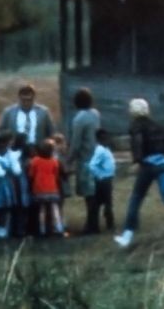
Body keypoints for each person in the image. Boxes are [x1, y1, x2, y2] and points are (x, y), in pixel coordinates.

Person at [113, 98, 164, 248]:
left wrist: (137, 161)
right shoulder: (159, 126)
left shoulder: (136, 126)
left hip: (148, 165)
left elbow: (137, 143)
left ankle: (127, 236)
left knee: (136, 197)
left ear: (133, 112)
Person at [67, 88, 101, 234]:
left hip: (86, 159)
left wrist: (69, 160)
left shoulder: (79, 119)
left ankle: (91, 224)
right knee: (96, 192)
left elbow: (76, 143)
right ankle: (95, 221)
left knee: (89, 194)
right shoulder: (95, 114)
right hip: (98, 157)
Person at [28, 139, 64, 236]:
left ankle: (42, 229)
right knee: (54, 208)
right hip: (52, 188)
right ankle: (59, 228)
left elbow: (31, 175)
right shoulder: (54, 161)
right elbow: (56, 175)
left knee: (42, 210)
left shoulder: (35, 161)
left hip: (39, 189)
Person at [0, 132, 17, 239]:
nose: (12, 142)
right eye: (11, 140)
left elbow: (15, 170)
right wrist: (7, 168)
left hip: (7, 184)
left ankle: (4, 228)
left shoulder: (10, 154)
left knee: (6, 207)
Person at [89, 129, 116, 232]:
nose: (107, 140)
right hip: (103, 180)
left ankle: (105, 224)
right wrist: (100, 175)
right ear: (99, 139)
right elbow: (92, 165)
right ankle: (109, 224)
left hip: (107, 179)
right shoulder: (100, 150)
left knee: (105, 203)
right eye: (105, 138)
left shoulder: (106, 149)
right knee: (105, 203)